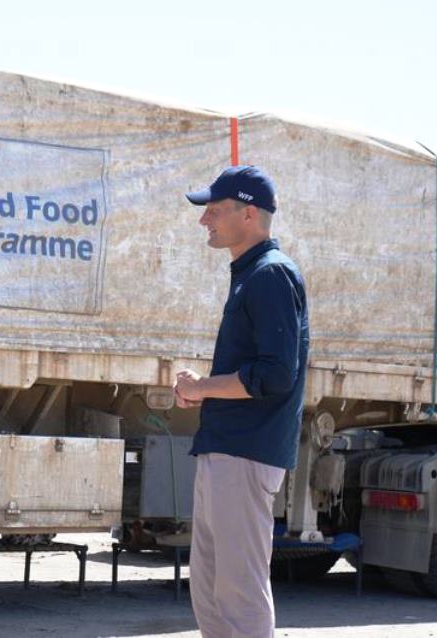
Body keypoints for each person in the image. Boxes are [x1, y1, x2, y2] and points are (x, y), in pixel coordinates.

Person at [175, 166, 309, 638]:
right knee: (212, 592)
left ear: (248, 213)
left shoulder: (270, 274)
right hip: (227, 448)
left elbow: (275, 375)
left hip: (246, 454)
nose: (203, 220)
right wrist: (205, 391)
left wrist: (203, 387)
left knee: (238, 594)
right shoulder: (251, 274)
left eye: (214, 209)